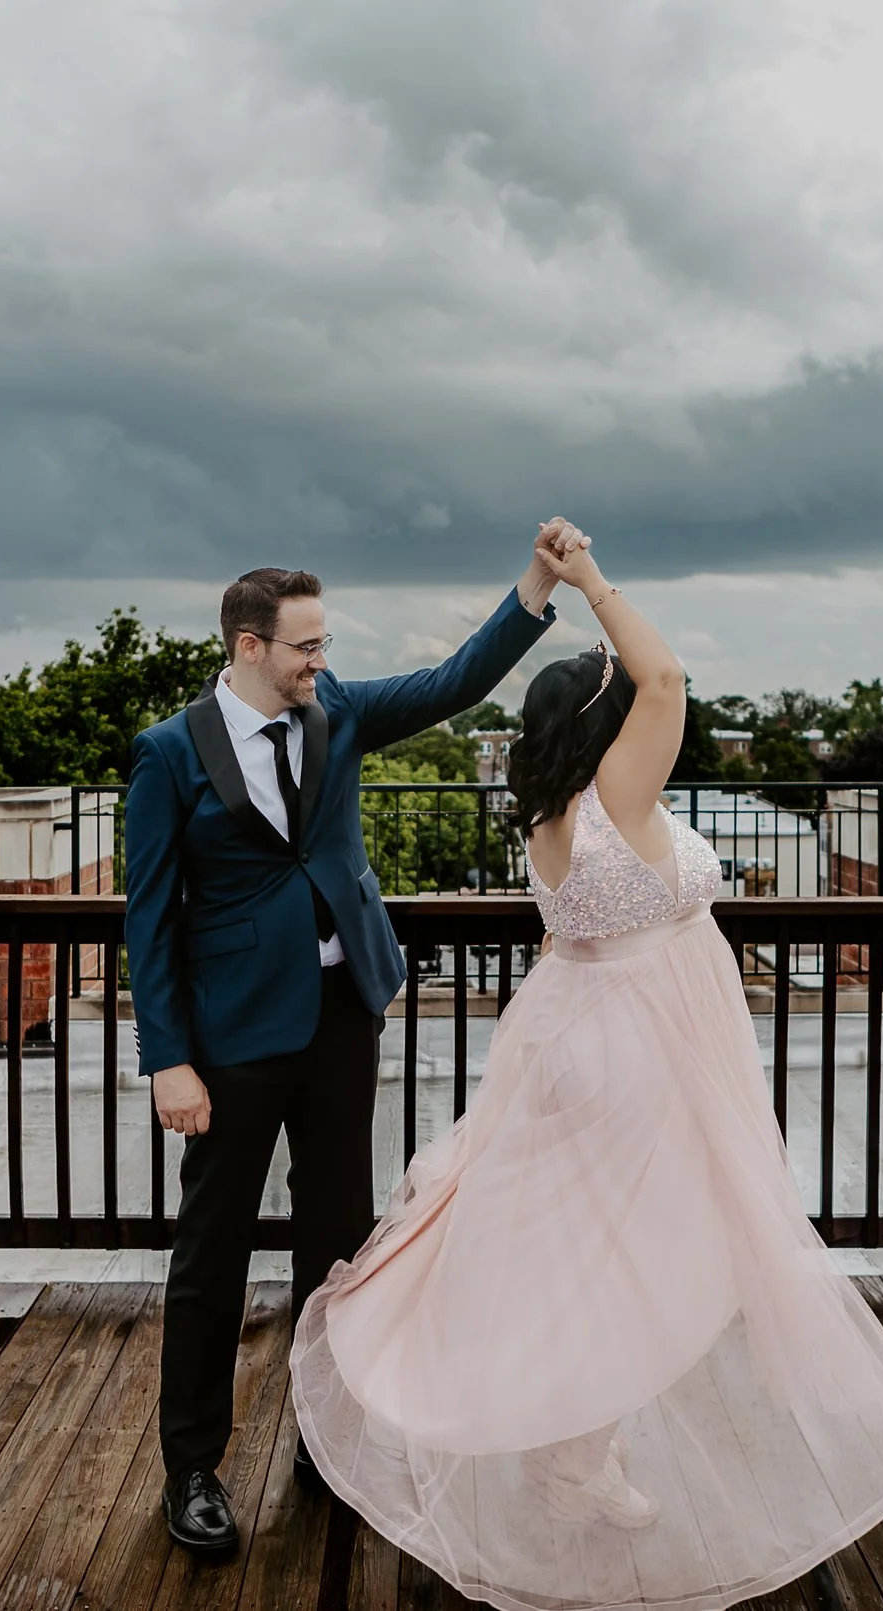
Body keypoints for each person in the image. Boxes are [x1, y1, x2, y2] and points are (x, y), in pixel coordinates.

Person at [286, 542, 883, 1611]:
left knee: (588, 1256)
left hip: (583, 1028)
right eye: (619, 699)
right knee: (649, 1257)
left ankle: (572, 1450)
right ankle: (576, 1459)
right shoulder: (618, 792)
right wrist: (590, 579)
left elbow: (567, 932)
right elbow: (670, 679)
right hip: (637, 1043)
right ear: (603, 722)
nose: (644, 703)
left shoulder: (552, 807)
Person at [126, 520, 587, 1557]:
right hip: (233, 1037)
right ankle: (192, 1466)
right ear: (248, 646)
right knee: (212, 1253)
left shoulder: (333, 711)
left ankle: (326, 1438)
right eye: (306, 646)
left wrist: (536, 581)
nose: (322, 661)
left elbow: (454, 681)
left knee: (339, 1244)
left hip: (342, 1019)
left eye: (324, 644)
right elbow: (148, 917)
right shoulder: (166, 753)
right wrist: (168, 1055)